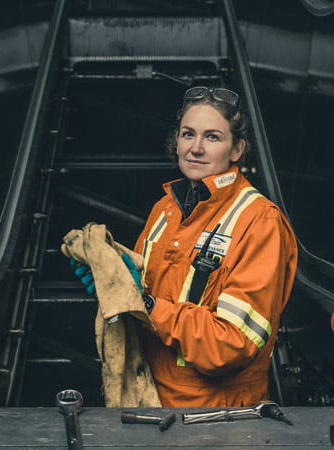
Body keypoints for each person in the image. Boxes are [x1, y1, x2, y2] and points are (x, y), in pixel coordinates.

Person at [129, 86, 298, 407]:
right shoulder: (165, 209)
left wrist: (148, 307)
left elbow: (232, 344)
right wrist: (111, 273)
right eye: (187, 134)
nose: (195, 148)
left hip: (217, 415)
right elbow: (146, 289)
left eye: (212, 137)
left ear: (237, 150)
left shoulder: (259, 221)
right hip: (148, 400)